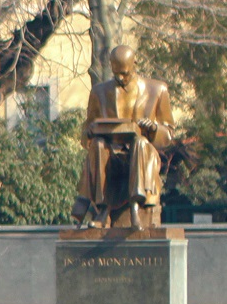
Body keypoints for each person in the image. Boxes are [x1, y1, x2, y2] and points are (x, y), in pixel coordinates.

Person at [72, 44, 175, 229]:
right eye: (116, 72)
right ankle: (103, 211)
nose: (120, 78)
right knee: (97, 144)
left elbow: (168, 134)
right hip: (111, 154)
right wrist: (89, 132)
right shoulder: (100, 92)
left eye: (125, 73)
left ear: (135, 64)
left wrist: (153, 128)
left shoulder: (157, 90)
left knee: (140, 143)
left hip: (143, 155)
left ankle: (136, 207)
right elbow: (87, 129)